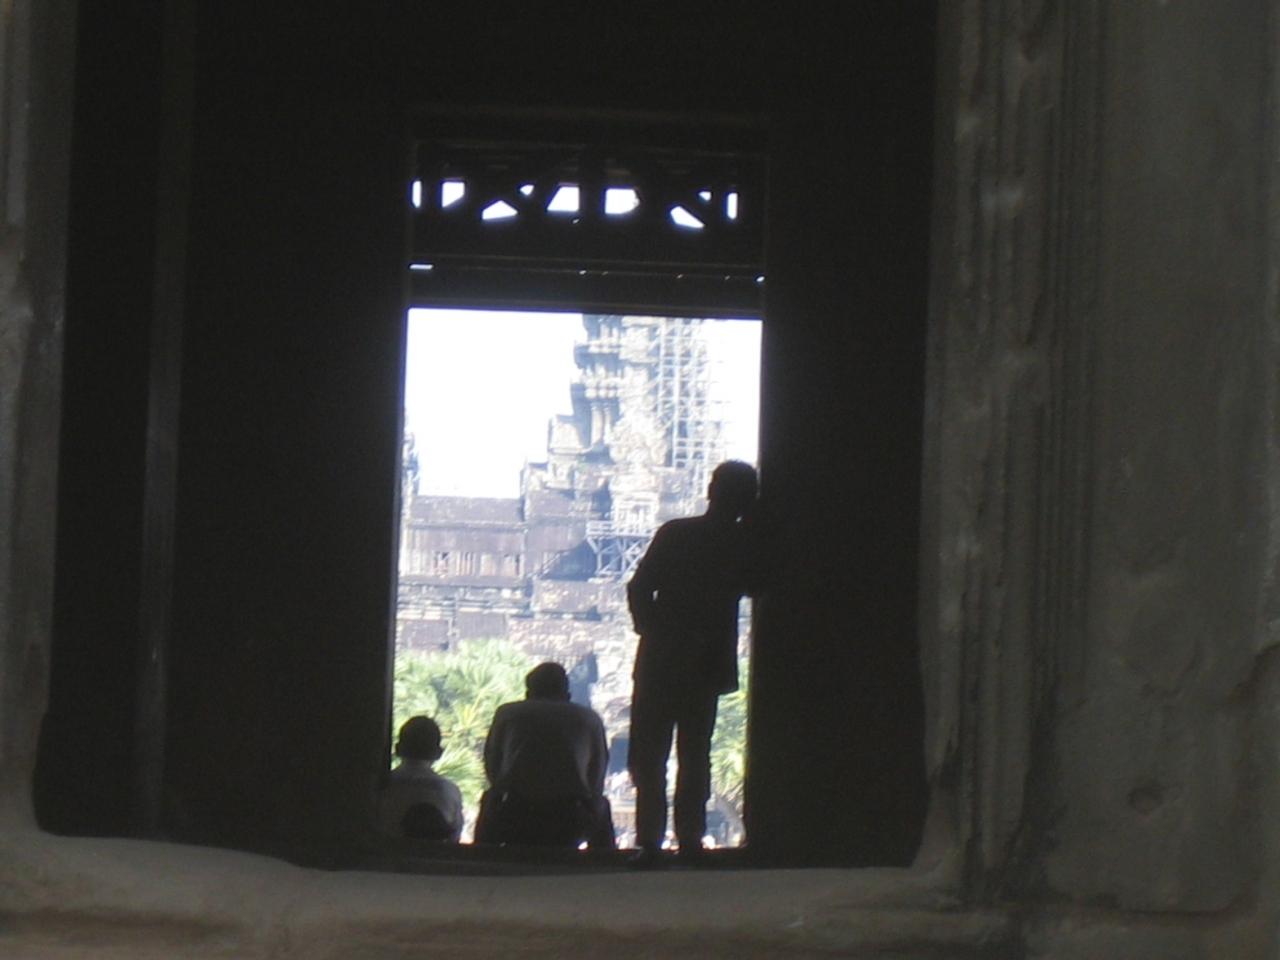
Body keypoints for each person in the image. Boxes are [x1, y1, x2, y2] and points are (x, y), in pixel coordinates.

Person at [625, 459, 762, 862]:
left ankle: (650, 841)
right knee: (695, 754)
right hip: (707, 662)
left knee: (651, 754)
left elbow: (639, 587)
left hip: (660, 658)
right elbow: (760, 584)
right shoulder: (742, 544)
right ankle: (689, 839)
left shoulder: (676, 533)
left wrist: (651, 629)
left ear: (710, 491)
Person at [475, 661, 615, 849]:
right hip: (569, 816)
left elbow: (493, 765)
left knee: (489, 799)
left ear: (528, 693)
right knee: (602, 804)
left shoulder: (507, 714)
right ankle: (603, 862)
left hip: (514, 813)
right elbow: (596, 775)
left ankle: (482, 858)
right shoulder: (589, 718)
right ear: (567, 694)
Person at [378, 715, 464, 842]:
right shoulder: (450, 791)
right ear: (438, 753)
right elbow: (454, 840)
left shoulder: (380, 787)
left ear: (397, 749)